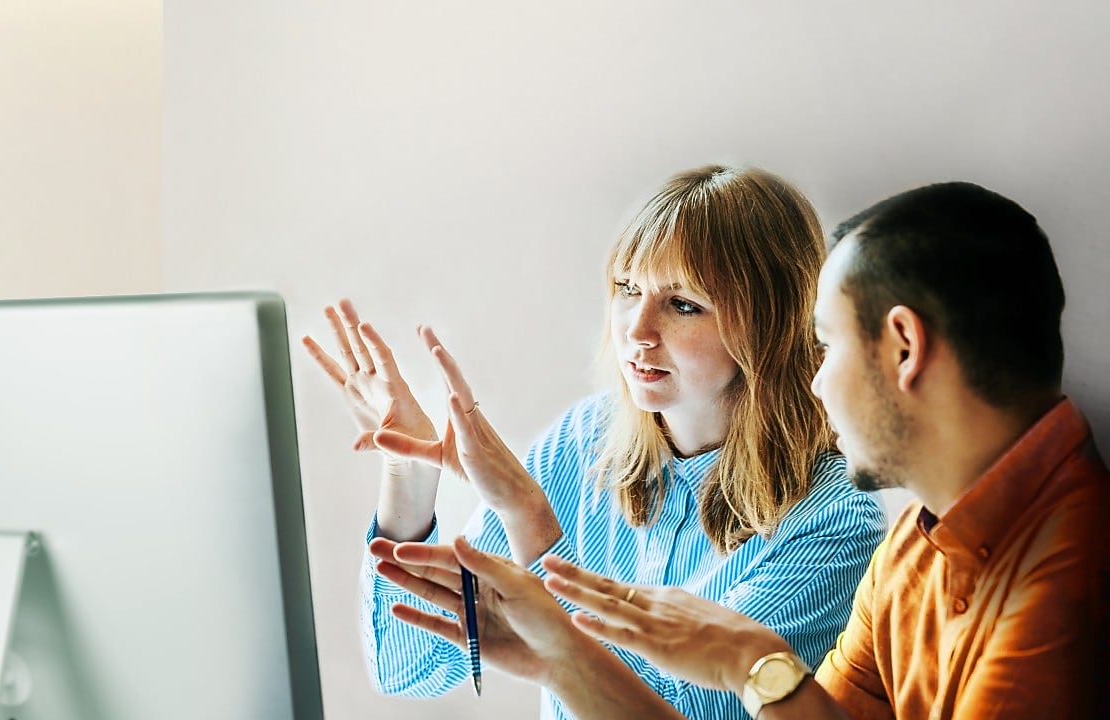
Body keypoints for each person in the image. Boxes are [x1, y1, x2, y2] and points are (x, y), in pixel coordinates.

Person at [381, 180, 1110, 719]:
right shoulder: (917, 546)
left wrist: (749, 664)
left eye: (827, 345)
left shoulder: (1068, 576)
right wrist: (564, 659)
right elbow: (407, 666)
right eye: (627, 290)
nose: (817, 380)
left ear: (904, 347)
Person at [303, 165, 887, 720]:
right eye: (628, 289)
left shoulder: (835, 519)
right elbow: (409, 668)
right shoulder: (584, 440)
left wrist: (529, 518)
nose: (637, 330)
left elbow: (677, 709)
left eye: (683, 304)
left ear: (770, 325)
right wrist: (409, 476)